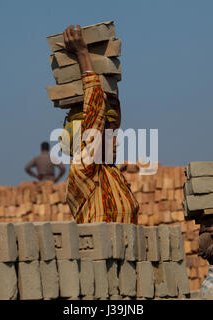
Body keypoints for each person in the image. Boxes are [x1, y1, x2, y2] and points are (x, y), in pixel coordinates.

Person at [59, 25, 139, 224]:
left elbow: (106, 117)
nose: (117, 143)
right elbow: (95, 119)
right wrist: (83, 54)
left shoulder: (112, 174)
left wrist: (110, 89)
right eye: (110, 138)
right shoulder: (82, 170)